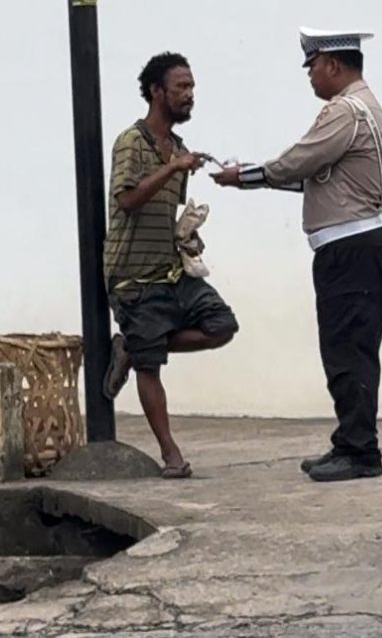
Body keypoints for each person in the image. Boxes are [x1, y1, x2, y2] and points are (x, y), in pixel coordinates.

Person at [212, 28, 382, 482]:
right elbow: (313, 177)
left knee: (346, 349)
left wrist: (243, 177)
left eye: (312, 66)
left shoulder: (344, 112)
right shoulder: (364, 109)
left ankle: (359, 451)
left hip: (349, 249)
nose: (310, 77)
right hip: (356, 246)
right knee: (349, 348)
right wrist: (258, 176)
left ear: (332, 64)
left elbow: (297, 163)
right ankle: (351, 442)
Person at [103, 51, 239, 479]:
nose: (189, 95)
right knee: (150, 365)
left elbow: (161, 211)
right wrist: (172, 167)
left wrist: (186, 232)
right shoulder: (132, 142)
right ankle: (170, 455)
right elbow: (127, 200)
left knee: (222, 325)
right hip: (132, 278)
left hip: (171, 271)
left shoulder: (179, 149)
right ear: (156, 91)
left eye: (192, 87)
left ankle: (137, 343)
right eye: (181, 87)